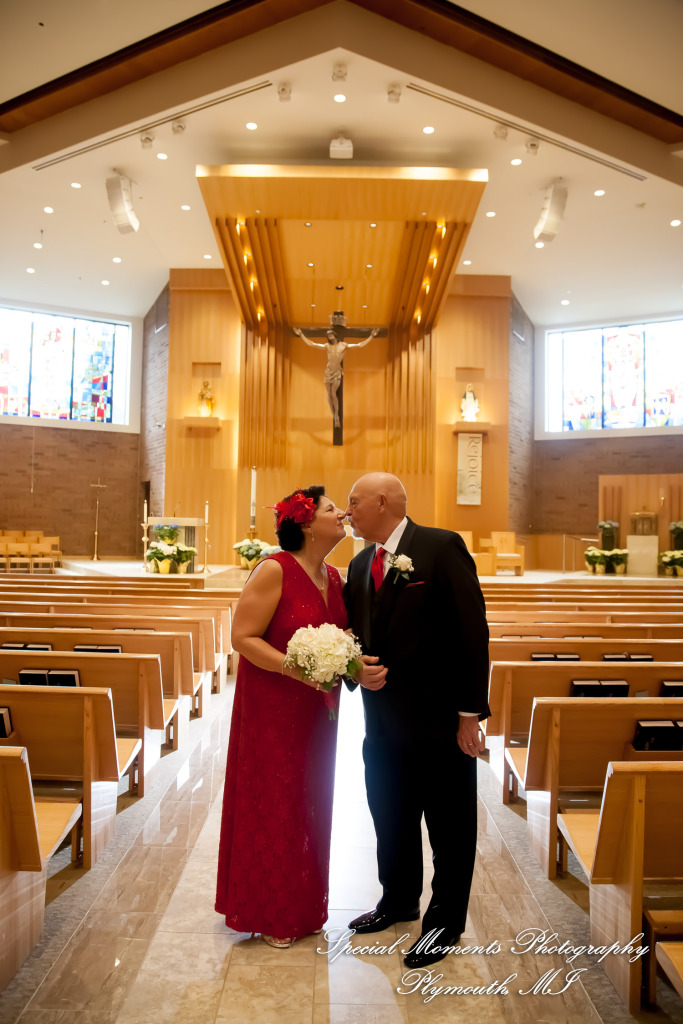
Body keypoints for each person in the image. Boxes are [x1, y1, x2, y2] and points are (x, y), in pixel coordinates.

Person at [343, 472, 490, 969]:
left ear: (382, 502)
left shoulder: (441, 547)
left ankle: (443, 924)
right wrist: (353, 669)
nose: (348, 512)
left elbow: (473, 633)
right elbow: (353, 637)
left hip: (439, 722)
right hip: (381, 724)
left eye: (354, 503)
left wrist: (469, 714)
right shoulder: (361, 563)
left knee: (449, 828)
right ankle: (397, 900)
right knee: (390, 816)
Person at [215, 486, 348, 947]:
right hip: (273, 707)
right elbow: (242, 637)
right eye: (334, 510)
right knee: (275, 801)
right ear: (307, 524)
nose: (343, 514)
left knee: (311, 800)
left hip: (318, 710)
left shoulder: (334, 575)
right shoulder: (275, 569)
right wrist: (295, 668)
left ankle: (305, 904)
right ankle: (270, 910)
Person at [292, 325, 379, 427]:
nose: (330, 336)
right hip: (328, 371)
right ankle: (335, 417)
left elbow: (359, 345)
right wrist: (301, 334)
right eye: (328, 335)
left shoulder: (343, 345)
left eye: (331, 334)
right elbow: (312, 344)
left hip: (337, 371)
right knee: (329, 393)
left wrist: (371, 336)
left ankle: (336, 415)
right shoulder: (327, 346)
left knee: (334, 393)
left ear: (335, 335)